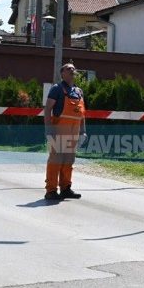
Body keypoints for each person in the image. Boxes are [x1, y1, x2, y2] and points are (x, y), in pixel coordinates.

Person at [43, 63, 87, 201]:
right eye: (68, 68)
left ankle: (65, 188)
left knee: (69, 161)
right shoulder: (57, 89)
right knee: (56, 161)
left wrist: (83, 131)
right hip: (58, 131)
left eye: (73, 68)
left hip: (74, 133)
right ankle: (51, 190)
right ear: (62, 73)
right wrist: (48, 130)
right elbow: (47, 109)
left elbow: (81, 114)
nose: (72, 70)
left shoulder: (79, 91)